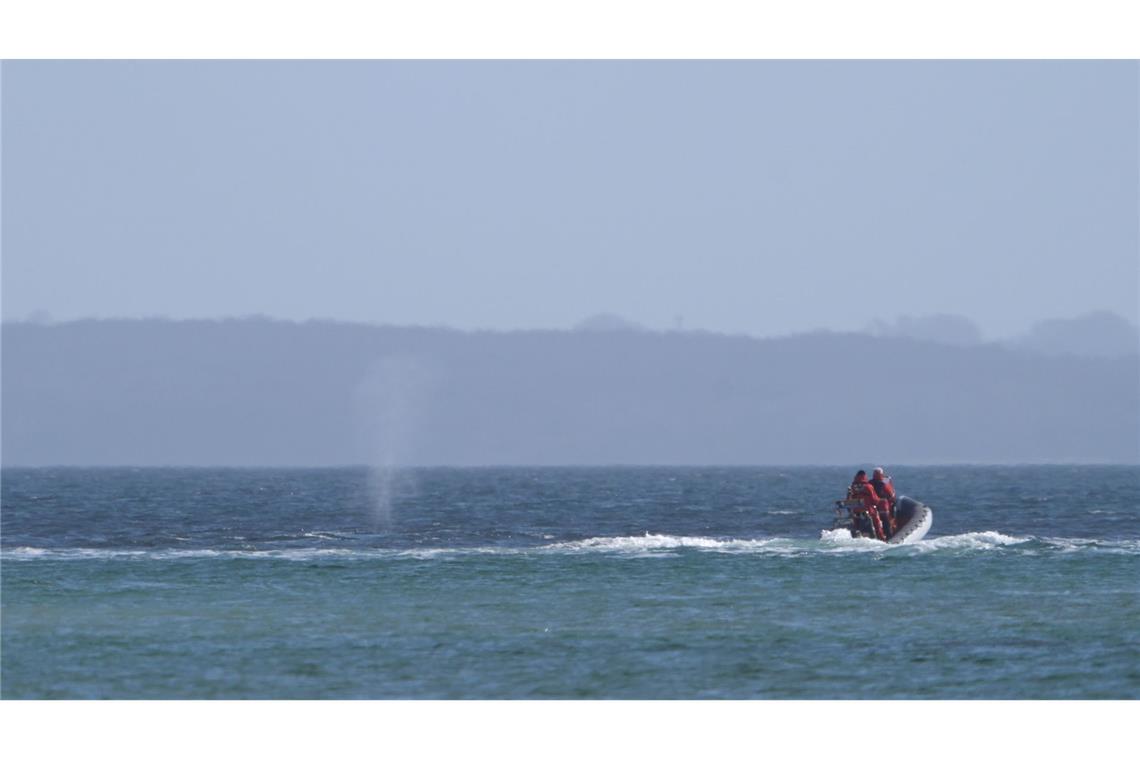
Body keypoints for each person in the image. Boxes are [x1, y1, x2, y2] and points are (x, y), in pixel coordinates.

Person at [847, 470, 888, 540]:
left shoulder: (852, 487)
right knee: (877, 522)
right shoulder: (868, 487)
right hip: (868, 511)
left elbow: (848, 500)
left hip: (855, 512)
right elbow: (875, 500)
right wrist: (880, 501)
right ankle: (881, 537)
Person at [869, 467, 897, 534]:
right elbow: (891, 495)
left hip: (872, 506)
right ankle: (890, 532)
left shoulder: (869, 483)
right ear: (881, 474)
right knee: (886, 520)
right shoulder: (884, 484)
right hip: (882, 507)